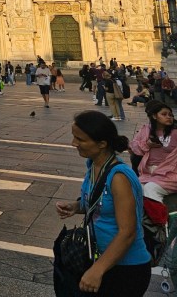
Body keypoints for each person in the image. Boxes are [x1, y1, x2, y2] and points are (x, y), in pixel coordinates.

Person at [54, 110, 151, 296]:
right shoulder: (93, 164)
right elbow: (100, 203)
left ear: (102, 144)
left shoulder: (119, 177)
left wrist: (98, 269)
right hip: (99, 258)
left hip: (124, 268)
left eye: (80, 139)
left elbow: (128, 232)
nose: (74, 144)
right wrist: (76, 206)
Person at [130, 100, 177, 203]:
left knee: (151, 188)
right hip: (148, 173)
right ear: (154, 116)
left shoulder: (175, 132)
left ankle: (159, 219)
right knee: (134, 189)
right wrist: (148, 144)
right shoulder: (146, 130)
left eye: (170, 115)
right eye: (164, 114)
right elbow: (134, 147)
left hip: (170, 173)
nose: (169, 117)